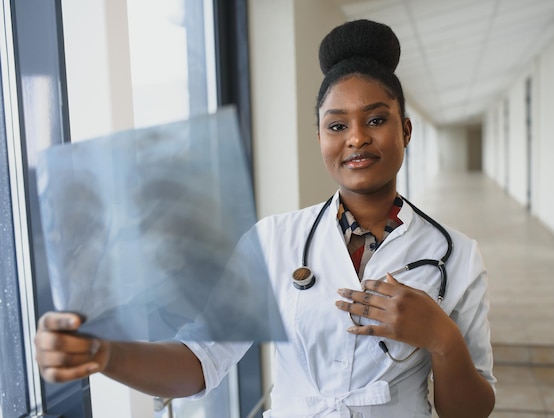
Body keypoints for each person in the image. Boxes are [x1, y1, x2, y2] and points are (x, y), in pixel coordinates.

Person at [35, 19, 496, 417]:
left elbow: (471, 410)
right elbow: (201, 361)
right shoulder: (274, 239)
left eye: (376, 120)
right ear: (319, 137)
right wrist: (106, 354)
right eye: (337, 125)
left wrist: (443, 340)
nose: (356, 138)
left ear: (406, 129)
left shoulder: (455, 255)